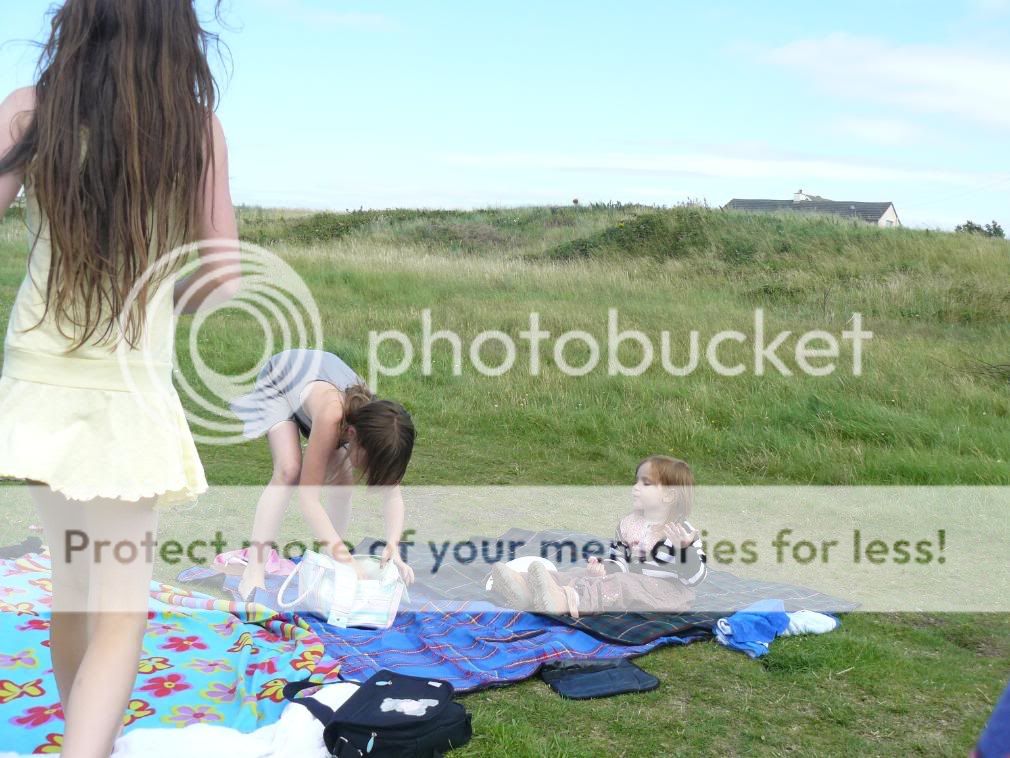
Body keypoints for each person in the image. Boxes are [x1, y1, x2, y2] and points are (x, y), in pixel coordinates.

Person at [0, 2, 236, 756]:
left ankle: (83, 737)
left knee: (71, 591)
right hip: (127, 390)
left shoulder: (29, 110)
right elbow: (222, 279)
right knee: (122, 612)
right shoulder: (193, 128)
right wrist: (165, 291)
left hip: (37, 380)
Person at [228, 348, 417, 600]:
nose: (370, 472)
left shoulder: (383, 429)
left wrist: (393, 546)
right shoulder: (332, 415)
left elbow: (393, 495)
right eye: (370, 465)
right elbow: (308, 500)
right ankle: (253, 571)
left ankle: (331, 564)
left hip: (315, 390)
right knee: (289, 470)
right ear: (352, 437)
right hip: (280, 383)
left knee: (343, 482)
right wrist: (347, 559)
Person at [492, 455, 707, 616]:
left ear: (669, 495)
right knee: (583, 572)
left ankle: (566, 601)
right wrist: (603, 569)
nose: (635, 488)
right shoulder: (629, 525)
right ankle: (527, 587)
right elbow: (621, 562)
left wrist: (684, 551)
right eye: (637, 481)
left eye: (646, 484)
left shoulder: (682, 532)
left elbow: (695, 578)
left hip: (668, 595)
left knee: (623, 584)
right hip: (630, 582)